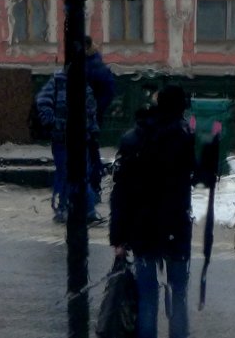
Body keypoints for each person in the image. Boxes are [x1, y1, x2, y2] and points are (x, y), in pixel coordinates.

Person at [109, 84, 207, 338]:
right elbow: (195, 175)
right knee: (178, 295)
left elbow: (120, 193)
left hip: (143, 227)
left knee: (147, 296)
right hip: (176, 225)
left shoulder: (134, 139)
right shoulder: (184, 137)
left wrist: (119, 237)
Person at [36, 67, 99, 223]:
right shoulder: (57, 81)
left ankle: (87, 210)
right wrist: (55, 123)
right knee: (66, 174)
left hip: (79, 138)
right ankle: (64, 209)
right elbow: (42, 101)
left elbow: (91, 109)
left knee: (80, 173)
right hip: (63, 138)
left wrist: (90, 129)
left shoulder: (83, 82)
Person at [84, 36, 116, 200]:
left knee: (89, 150)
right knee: (90, 149)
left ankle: (93, 189)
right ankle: (93, 188)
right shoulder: (93, 64)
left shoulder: (92, 66)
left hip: (89, 116)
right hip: (91, 115)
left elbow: (107, 91)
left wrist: (94, 109)